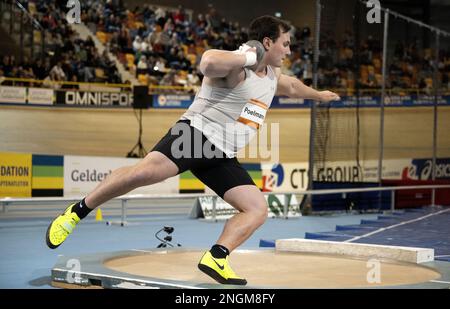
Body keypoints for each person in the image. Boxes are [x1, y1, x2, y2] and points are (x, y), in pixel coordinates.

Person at [45, 15, 340, 286]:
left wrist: (320, 95)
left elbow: (293, 87)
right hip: (194, 136)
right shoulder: (238, 70)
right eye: (285, 44)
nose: (289, 51)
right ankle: (76, 212)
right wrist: (247, 56)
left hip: (221, 154)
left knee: (257, 208)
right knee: (144, 173)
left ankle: (217, 256)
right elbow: (207, 62)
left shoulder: (273, 78)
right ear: (267, 43)